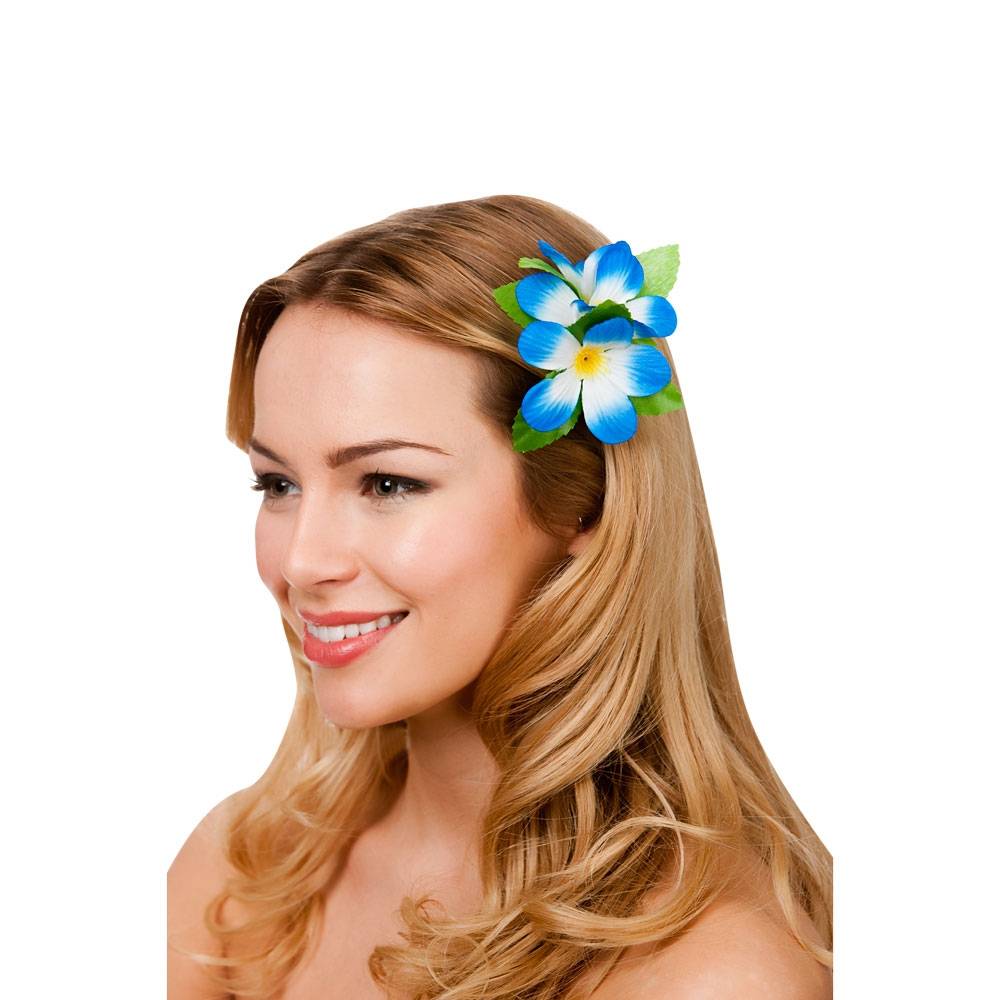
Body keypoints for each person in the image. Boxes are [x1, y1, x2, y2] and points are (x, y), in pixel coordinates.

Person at [167, 194, 833, 999]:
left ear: (584, 503)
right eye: (277, 483)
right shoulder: (238, 882)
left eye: (388, 483)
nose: (302, 561)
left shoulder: (711, 973)